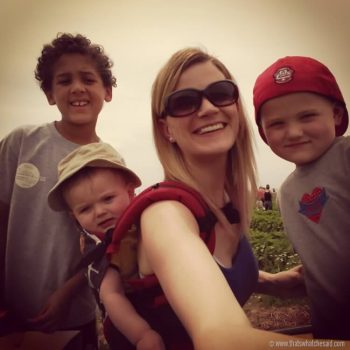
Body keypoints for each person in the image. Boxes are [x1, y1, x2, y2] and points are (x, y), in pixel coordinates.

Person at [105, 48, 316, 349]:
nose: (206, 108)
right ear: (166, 129)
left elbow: (203, 271)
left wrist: (270, 282)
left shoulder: (228, 201)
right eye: (184, 102)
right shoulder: (166, 215)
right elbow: (222, 339)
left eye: (220, 93)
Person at [0, 33, 116, 348]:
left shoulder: (109, 162)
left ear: (106, 91)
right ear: (50, 94)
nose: (77, 88)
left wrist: (67, 293)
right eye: (64, 81)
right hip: (9, 308)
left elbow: (106, 244)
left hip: (72, 315)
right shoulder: (22, 142)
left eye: (88, 79)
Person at [253, 55, 350, 339]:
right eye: (277, 124)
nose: (294, 132)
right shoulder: (286, 192)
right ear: (263, 132)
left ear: (336, 114)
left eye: (307, 116)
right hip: (330, 332)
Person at [47, 142, 165, 350]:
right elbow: (112, 295)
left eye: (108, 199)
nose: (99, 212)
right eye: (85, 209)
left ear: (130, 192)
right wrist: (142, 335)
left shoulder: (147, 218)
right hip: (134, 321)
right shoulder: (98, 248)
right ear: (73, 216)